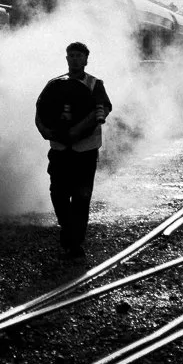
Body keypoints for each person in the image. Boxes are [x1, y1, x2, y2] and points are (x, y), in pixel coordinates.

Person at [35, 42, 112, 261]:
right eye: (71, 55)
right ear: (67, 59)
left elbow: (103, 107)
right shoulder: (54, 85)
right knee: (58, 194)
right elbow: (41, 109)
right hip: (60, 150)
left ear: (86, 59)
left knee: (81, 197)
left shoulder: (95, 84)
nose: (75, 59)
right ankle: (68, 231)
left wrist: (91, 122)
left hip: (84, 151)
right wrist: (45, 131)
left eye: (79, 56)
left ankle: (74, 243)